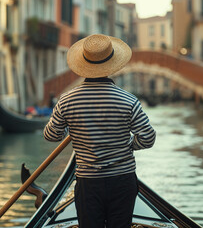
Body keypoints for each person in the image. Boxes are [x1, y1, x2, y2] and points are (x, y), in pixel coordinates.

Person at [43, 34, 156, 228]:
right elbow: (148, 138)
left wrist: (73, 130)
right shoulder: (128, 100)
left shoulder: (67, 101)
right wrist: (127, 145)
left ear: (84, 64)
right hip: (122, 180)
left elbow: (51, 135)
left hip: (88, 183)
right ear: (112, 65)